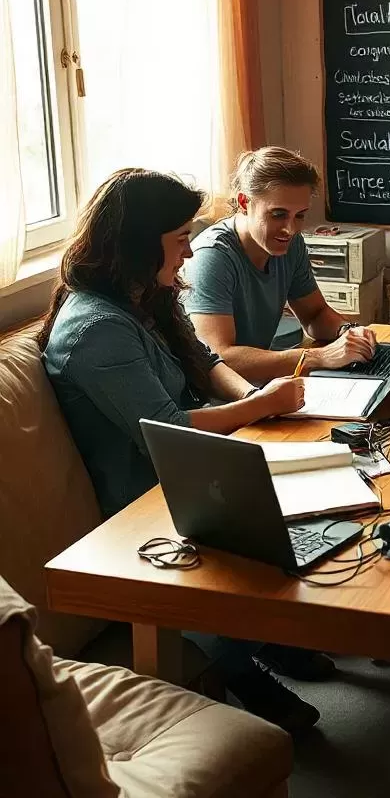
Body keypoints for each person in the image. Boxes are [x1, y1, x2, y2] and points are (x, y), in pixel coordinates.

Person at [39, 169, 326, 736]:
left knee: (322, 478)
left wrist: (254, 396)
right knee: (271, 513)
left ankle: (267, 639)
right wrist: (260, 409)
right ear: (139, 244)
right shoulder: (97, 329)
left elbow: (205, 361)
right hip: (144, 490)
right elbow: (166, 427)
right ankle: (241, 666)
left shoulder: (144, 295)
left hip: (193, 460)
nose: (190, 250)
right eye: (178, 240)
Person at [184, 146, 377, 381]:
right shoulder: (211, 256)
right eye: (278, 214)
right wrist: (318, 357)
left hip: (258, 386)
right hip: (211, 399)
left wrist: (348, 332)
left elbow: (315, 314)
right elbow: (218, 357)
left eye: (300, 215)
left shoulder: (291, 244)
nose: (291, 229)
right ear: (244, 202)